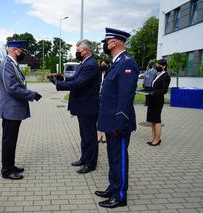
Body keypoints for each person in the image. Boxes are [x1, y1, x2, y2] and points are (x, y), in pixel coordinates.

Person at [95, 27, 139, 208]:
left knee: (119, 157)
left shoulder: (127, 62)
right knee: (113, 157)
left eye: (106, 42)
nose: (105, 45)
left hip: (118, 121)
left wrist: (120, 121)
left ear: (114, 42)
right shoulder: (116, 62)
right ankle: (113, 187)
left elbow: (126, 96)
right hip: (109, 119)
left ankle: (120, 196)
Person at [47, 39, 101, 174]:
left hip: (88, 106)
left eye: (78, 50)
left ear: (86, 51)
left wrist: (58, 84)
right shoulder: (84, 62)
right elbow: (74, 79)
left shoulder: (91, 64)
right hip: (83, 106)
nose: (76, 52)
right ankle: (84, 158)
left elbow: (79, 84)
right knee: (84, 135)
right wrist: (61, 79)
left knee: (89, 136)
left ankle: (91, 163)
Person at [0, 40, 42, 180]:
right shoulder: (6, 65)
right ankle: (7, 170)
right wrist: (32, 95)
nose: (22, 54)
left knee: (12, 140)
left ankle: (11, 165)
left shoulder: (12, 64)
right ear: (15, 50)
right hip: (10, 110)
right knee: (9, 141)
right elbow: (12, 88)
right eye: (22, 51)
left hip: (14, 110)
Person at [146, 59, 171, 146]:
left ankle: (157, 140)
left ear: (164, 66)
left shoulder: (166, 76)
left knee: (156, 120)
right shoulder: (158, 74)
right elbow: (154, 86)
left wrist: (154, 92)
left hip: (158, 101)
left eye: (158, 66)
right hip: (152, 100)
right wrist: (148, 91)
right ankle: (153, 138)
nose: (157, 67)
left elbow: (164, 90)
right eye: (156, 65)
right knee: (152, 120)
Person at [97, 59, 111, 144]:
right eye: (101, 64)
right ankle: (99, 134)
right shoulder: (98, 74)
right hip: (97, 96)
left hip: (106, 97)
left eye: (105, 64)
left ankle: (104, 134)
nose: (103, 65)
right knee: (98, 116)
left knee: (105, 116)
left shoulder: (109, 73)